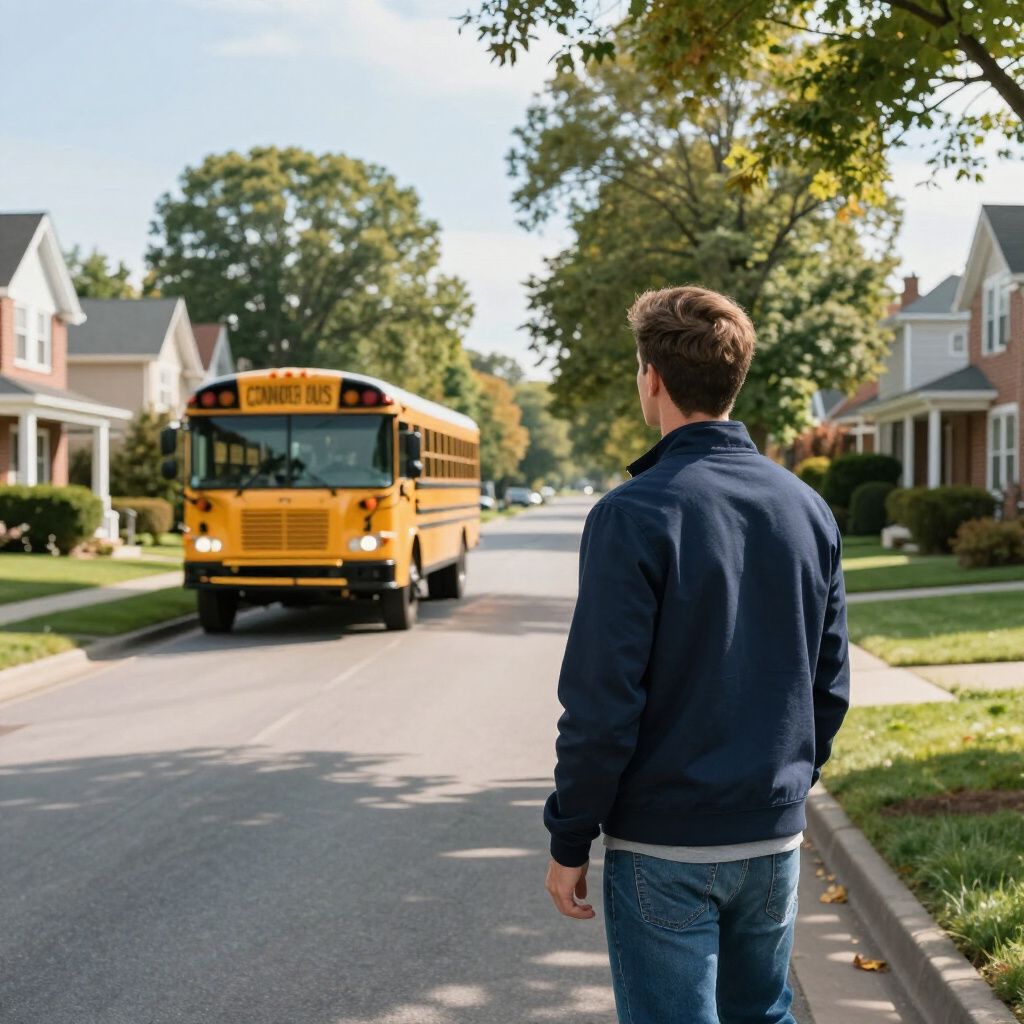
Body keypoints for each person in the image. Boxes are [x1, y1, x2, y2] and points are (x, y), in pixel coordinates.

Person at [543, 285, 850, 1024]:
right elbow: (829, 683)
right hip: (772, 835)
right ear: (734, 375)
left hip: (664, 846)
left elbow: (602, 704)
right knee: (765, 1017)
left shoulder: (633, 513)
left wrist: (569, 836)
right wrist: (783, 788)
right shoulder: (806, 509)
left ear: (652, 377)